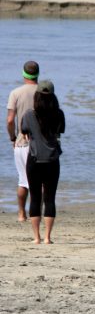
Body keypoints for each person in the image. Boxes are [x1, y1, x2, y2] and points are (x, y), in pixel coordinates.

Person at [19, 80, 65, 244]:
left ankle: (37, 237)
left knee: (35, 197)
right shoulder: (59, 114)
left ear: (37, 96)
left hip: (34, 160)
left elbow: (24, 132)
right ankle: (47, 238)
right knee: (50, 198)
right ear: (53, 97)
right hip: (52, 160)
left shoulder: (29, 115)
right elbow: (60, 131)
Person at [7, 60, 39, 222]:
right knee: (38, 182)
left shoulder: (16, 93)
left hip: (21, 142)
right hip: (40, 144)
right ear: (38, 74)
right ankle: (36, 214)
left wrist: (13, 138)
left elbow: (10, 120)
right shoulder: (44, 93)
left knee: (23, 180)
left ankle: (21, 214)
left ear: (23, 74)